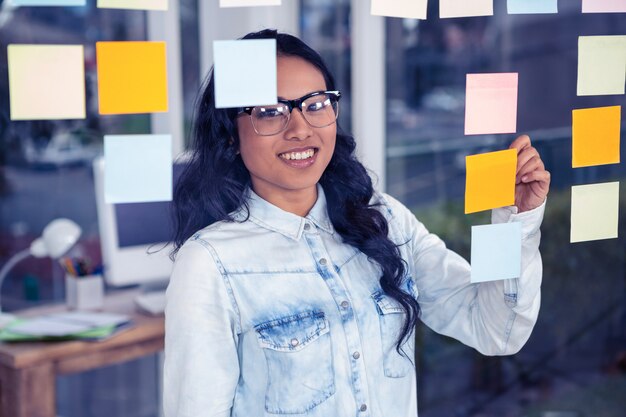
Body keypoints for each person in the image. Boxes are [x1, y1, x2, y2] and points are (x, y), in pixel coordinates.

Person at [163, 29, 550, 417]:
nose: (300, 129)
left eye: (315, 105)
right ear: (231, 134)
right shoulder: (209, 263)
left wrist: (513, 223)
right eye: (269, 112)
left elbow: (495, 329)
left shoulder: (383, 219)